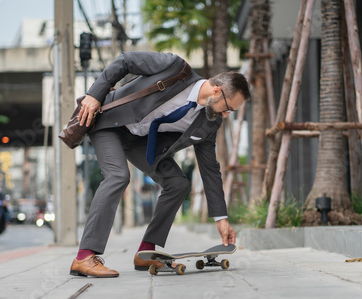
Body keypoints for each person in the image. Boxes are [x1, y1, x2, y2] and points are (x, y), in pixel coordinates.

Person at [69, 51, 251, 278]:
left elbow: (210, 169)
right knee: (118, 176)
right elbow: (125, 61)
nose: (225, 115)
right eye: (228, 108)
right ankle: (84, 256)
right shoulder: (174, 68)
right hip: (111, 123)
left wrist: (221, 220)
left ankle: (146, 252)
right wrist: (94, 95)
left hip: (139, 143)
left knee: (178, 184)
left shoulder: (209, 123)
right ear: (216, 91)